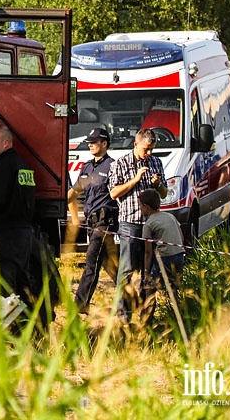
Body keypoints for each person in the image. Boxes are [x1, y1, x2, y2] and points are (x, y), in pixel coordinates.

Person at [108, 128, 168, 321]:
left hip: (151, 223)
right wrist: (135, 180)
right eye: (146, 149)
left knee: (149, 269)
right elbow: (114, 193)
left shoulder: (156, 163)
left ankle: (147, 312)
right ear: (136, 145)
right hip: (130, 223)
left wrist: (158, 184)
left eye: (152, 149)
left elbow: (164, 194)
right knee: (126, 268)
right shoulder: (121, 163)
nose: (149, 154)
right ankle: (121, 312)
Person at [0, 125, 36, 302]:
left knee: (3, 287)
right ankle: (27, 324)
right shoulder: (23, 165)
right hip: (24, 233)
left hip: (6, 234)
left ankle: (6, 327)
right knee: (21, 284)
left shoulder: (2, 167)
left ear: (6, 143)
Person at [67, 127, 119, 314]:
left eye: (94, 142)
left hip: (105, 221)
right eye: (89, 142)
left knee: (91, 260)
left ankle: (81, 304)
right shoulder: (87, 166)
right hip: (90, 221)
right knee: (107, 262)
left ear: (104, 144)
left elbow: (118, 193)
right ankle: (131, 296)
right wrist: (74, 218)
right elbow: (74, 192)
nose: (90, 145)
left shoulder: (113, 166)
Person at [139, 189, 185, 324]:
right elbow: (181, 237)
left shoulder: (149, 224)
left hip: (164, 259)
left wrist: (146, 273)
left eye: (140, 206)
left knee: (150, 290)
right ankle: (180, 320)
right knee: (174, 290)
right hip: (179, 255)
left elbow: (148, 252)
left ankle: (146, 322)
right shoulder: (170, 216)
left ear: (146, 207)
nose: (140, 209)